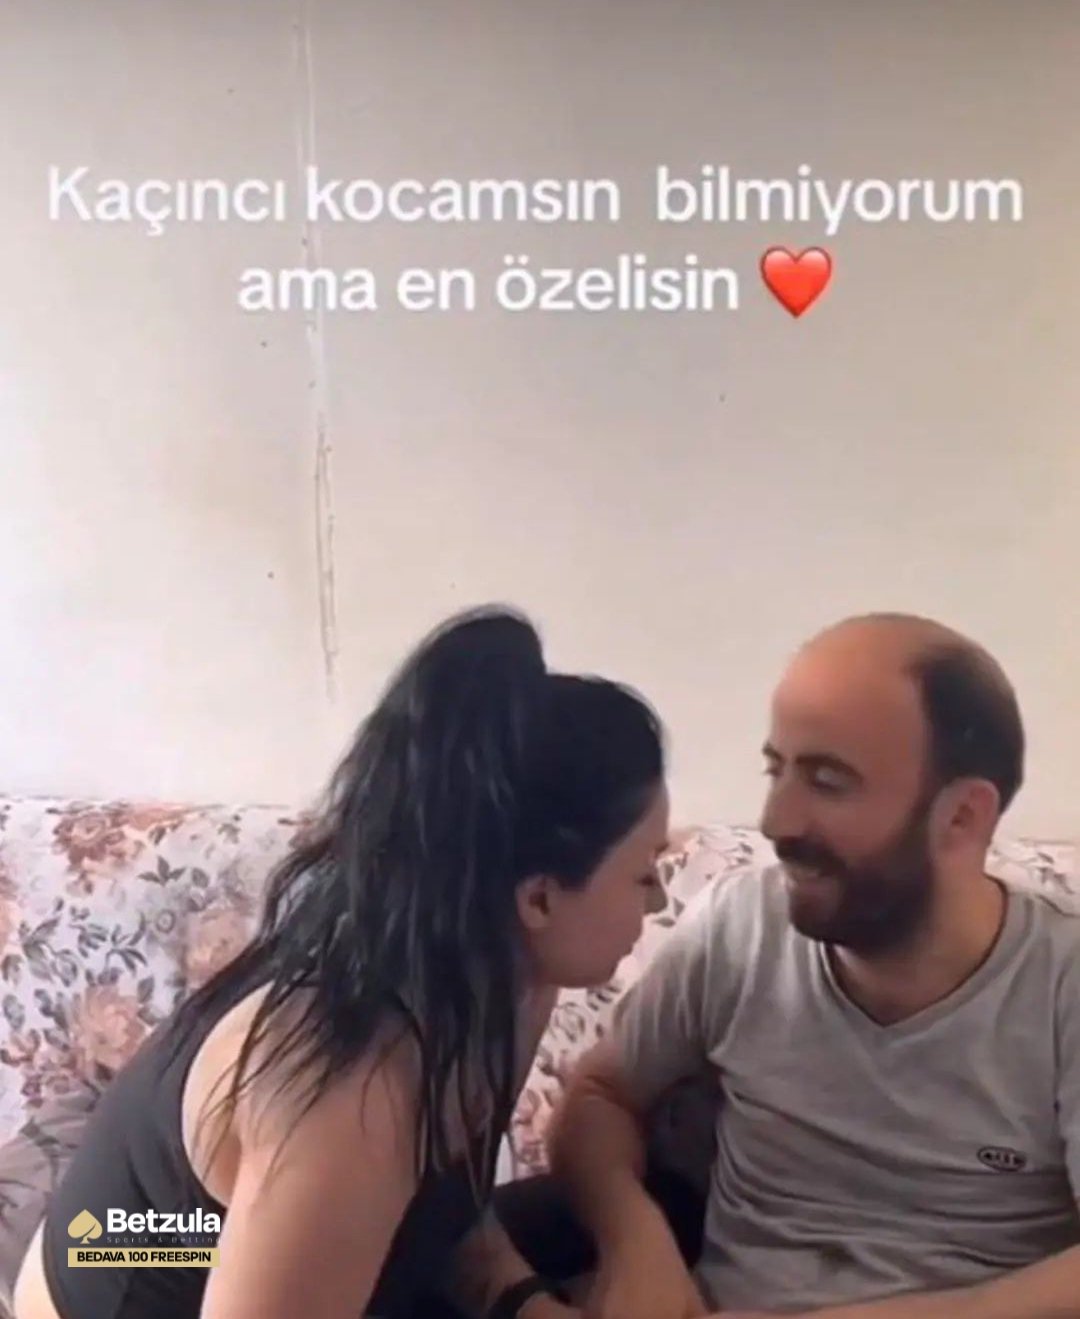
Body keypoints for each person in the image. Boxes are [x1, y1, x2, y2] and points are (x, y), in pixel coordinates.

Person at [14, 605, 671, 1319]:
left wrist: (526, 1304)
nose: (661, 897)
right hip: (131, 1270)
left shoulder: (512, 981)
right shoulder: (352, 1096)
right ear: (538, 897)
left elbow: (443, 1206)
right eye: (644, 873)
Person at [532, 613, 1080, 1318]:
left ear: (962, 816)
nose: (776, 821)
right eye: (776, 769)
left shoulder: (1061, 982)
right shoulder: (741, 928)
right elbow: (601, 1094)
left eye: (827, 781)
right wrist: (634, 1241)